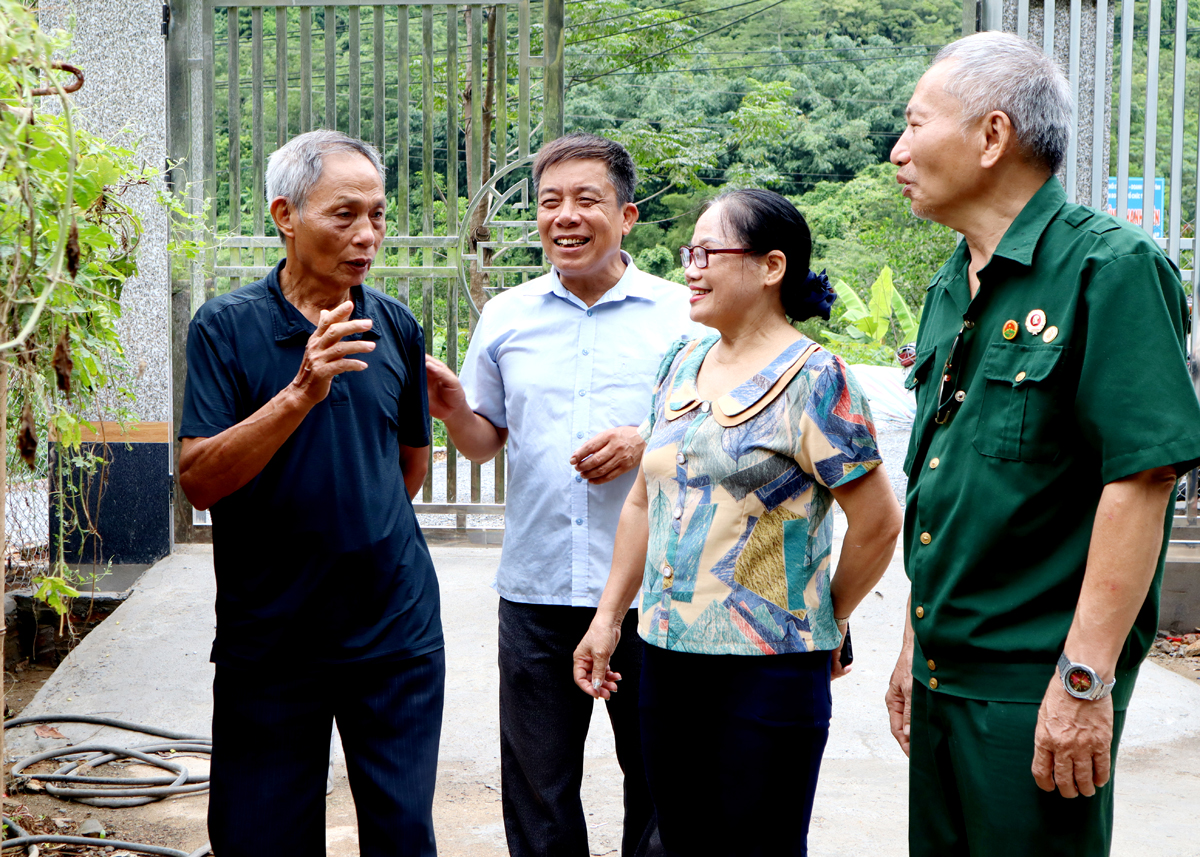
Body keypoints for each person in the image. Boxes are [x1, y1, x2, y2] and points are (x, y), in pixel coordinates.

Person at [885, 31, 1200, 856]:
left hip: (1035, 687)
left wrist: (1084, 681)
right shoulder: (952, 284)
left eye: (916, 125)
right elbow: (943, 484)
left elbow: (1143, 479)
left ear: (992, 136)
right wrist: (915, 647)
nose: (897, 150)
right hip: (945, 675)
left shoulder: (1112, 268)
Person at [573, 188, 904, 857]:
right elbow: (643, 499)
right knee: (683, 838)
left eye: (706, 252)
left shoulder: (818, 380)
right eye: (689, 252)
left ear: (771, 266)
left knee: (760, 844)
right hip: (665, 657)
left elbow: (878, 523)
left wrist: (822, 619)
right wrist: (609, 616)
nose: (689, 266)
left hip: (771, 669)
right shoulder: (680, 364)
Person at [424, 132, 700, 857]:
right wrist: (454, 406)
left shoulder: (684, 318)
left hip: (655, 593)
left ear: (629, 215)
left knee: (662, 787)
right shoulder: (507, 316)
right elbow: (486, 441)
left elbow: (725, 434)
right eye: (550, 202)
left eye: (586, 199)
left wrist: (647, 443)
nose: (565, 217)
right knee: (538, 792)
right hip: (538, 587)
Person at [179, 130, 443, 857]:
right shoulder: (225, 328)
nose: (367, 235)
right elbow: (199, 478)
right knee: (260, 837)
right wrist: (301, 390)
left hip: (395, 634)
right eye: (345, 214)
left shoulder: (393, 324)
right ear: (285, 214)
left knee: (402, 835)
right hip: (271, 639)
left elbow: (409, 468)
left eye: (379, 215)